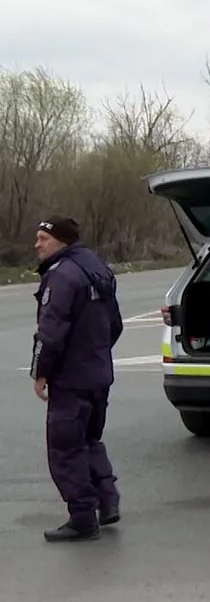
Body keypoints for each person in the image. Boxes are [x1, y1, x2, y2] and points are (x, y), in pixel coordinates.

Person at [30, 217, 124, 542]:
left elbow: (50, 332)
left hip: (71, 379)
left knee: (66, 449)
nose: (37, 244)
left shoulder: (62, 277)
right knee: (89, 440)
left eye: (43, 238)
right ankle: (107, 501)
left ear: (62, 241)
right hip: (98, 374)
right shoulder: (96, 268)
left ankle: (83, 517)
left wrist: (40, 372)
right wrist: (96, 354)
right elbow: (115, 324)